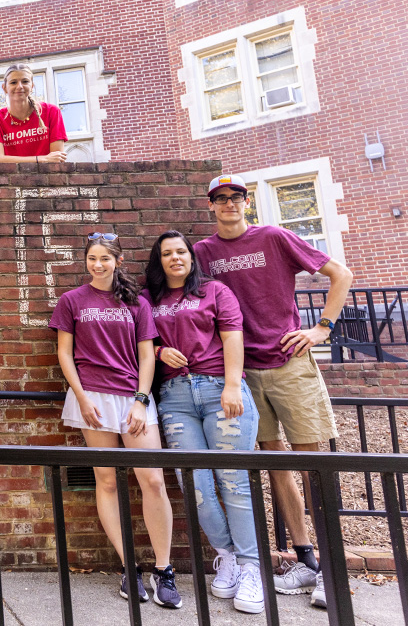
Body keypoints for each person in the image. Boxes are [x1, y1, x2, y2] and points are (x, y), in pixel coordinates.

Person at [192, 175, 353, 609]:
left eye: (236, 197)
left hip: (288, 363)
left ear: (246, 202)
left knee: (311, 463)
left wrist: (322, 329)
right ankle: (305, 559)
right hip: (242, 374)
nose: (229, 203)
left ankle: (333, 571)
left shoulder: (275, 237)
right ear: (210, 206)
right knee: (275, 462)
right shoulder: (203, 253)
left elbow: (340, 273)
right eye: (220, 198)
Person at [49, 233, 181, 609]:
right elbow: (64, 353)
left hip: (132, 399)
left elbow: (147, 356)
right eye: (92, 258)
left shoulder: (135, 301)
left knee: (153, 480)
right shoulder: (72, 301)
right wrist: (81, 397)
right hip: (92, 398)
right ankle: (130, 568)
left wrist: (141, 401)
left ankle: (164, 569)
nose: (98, 264)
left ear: (118, 261)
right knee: (107, 481)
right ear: (86, 261)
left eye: (105, 258)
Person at [143, 230, 263, 614]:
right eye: (167, 253)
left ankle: (251, 568)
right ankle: (226, 556)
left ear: (192, 257)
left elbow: (232, 338)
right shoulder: (150, 299)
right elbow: (141, 343)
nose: (175, 258)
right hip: (175, 398)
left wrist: (232, 386)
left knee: (234, 481)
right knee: (194, 484)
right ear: (158, 261)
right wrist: (161, 352)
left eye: (181, 251)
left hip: (219, 392)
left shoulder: (215, 291)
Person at [0, 63, 68, 164]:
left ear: (32, 86)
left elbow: (56, 159)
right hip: (11, 179)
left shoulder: (52, 112)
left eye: (25, 81)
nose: (19, 86)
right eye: (13, 82)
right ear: (4, 88)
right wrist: (41, 159)